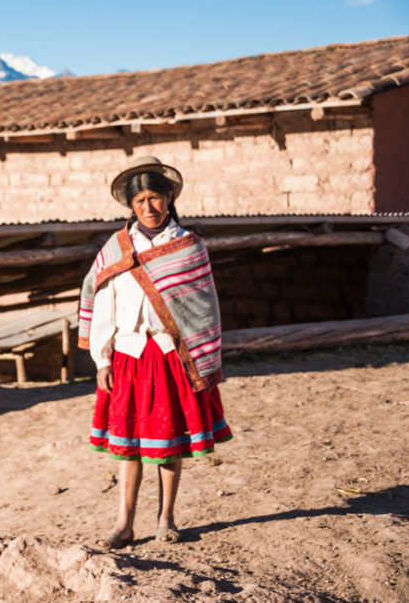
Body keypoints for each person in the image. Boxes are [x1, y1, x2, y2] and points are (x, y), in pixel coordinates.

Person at [76, 155, 231, 549]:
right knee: (127, 444)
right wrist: (103, 358)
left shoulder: (189, 247)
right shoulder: (116, 247)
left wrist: (196, 355)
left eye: (156, 198)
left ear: (170, 197)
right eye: (140, 200)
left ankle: (166, 519)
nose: (148, 207)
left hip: (169, 356)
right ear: (131, 205)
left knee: (168, 442)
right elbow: (103, 301)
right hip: (127, 355)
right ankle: (124, 524)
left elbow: (203, 307)